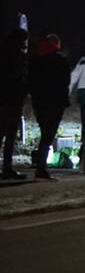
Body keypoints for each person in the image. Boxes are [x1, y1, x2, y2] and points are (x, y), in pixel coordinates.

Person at [28, 34, 71, 181]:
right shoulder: (60, 60)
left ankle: (41, 166)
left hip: (39, 102)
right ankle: (41, 169)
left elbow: (30, 82)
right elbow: (66, 80)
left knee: (44, 133)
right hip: (56, 102)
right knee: (48, 135)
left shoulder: (35, 60)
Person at [1, 29, 29, 179]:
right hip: (13, 99)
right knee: (10, 134)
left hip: (4, 98)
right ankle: (7, 167)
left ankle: (6, 167)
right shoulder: (19, 57)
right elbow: (22, 77)